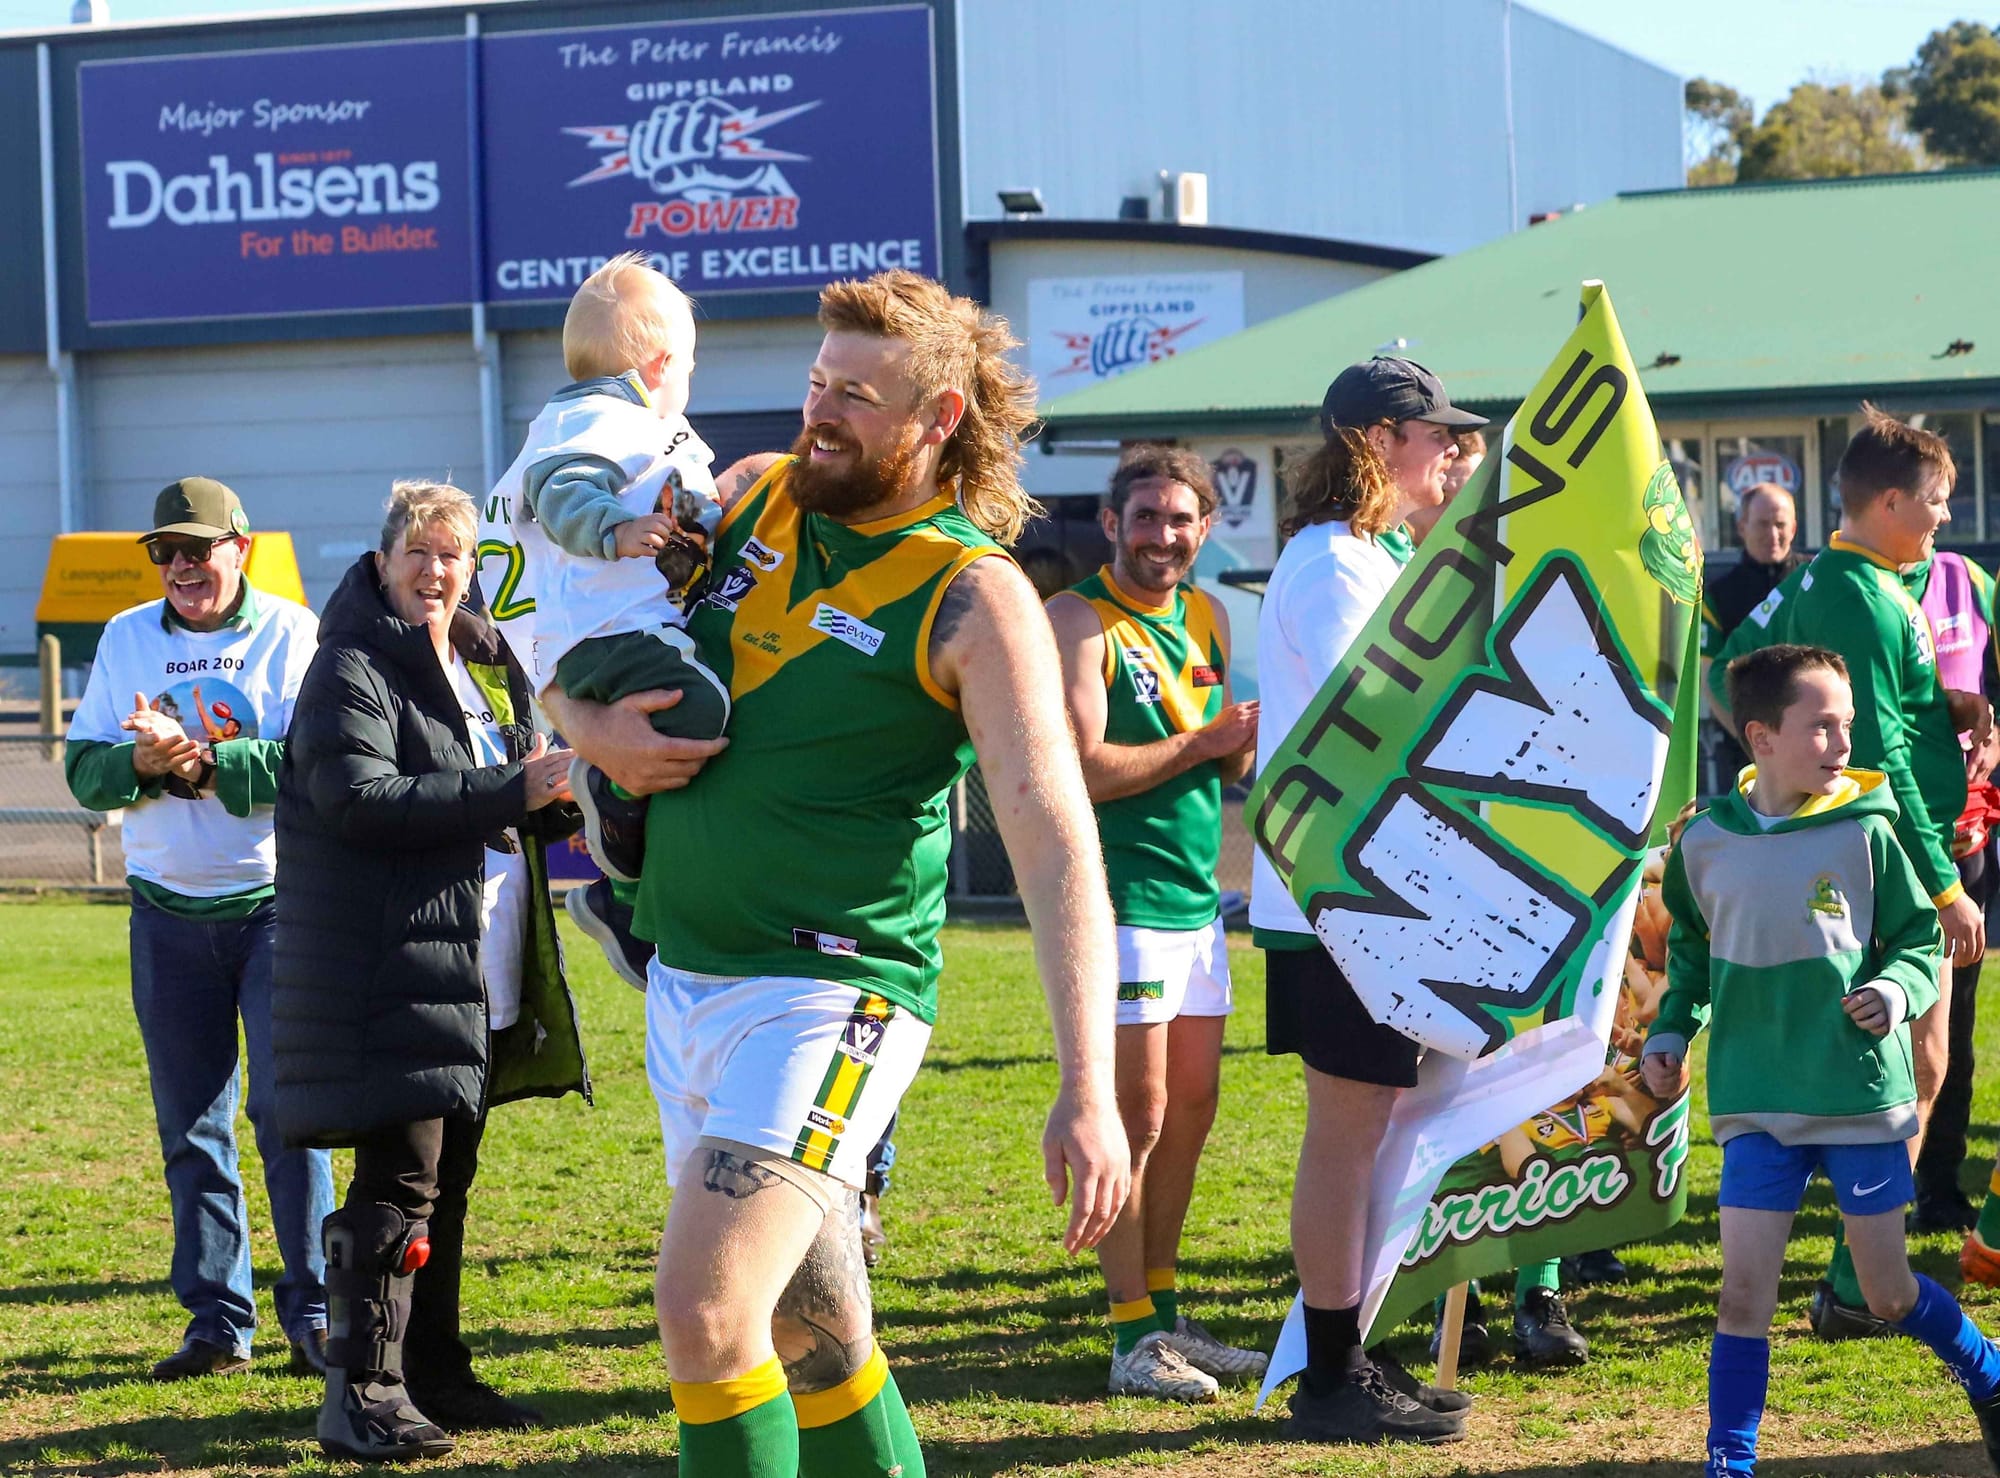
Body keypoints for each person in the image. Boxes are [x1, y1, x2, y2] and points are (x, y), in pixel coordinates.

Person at [544, 268, 1129, 1478]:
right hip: (686, 978)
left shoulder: (975, 594)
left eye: (856, 396)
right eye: (817, 382)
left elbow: (1053, 836)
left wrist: (1088, 1085)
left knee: (707, 1309)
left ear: (939, 419)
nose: (819, 412)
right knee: (810, 1329)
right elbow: (569, 612)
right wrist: (584, 726)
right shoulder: (751, 495)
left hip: (827, 996)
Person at [272, 481, 588, 1461]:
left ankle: (433, 1372)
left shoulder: (482, 667)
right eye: (418, 551)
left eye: (453, 555)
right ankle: (360, 1395)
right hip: (389, 966)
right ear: (382, 563)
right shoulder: (350, 666)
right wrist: (509, 786)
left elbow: (495, 797)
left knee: (445, 1185)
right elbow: (359, 799)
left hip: (474, 969)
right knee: (396, 1187)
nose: (436, 571)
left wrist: (554, 797)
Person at [1641, 643, 2000, 1475]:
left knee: (1887, 1294)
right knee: (1742, 1295)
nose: (1844, 743)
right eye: (1822, 727)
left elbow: (1919, 939)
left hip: (1857, 1098)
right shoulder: (1703, 842)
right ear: (1761, 737)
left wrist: (1897, 992)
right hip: (1755, 1102)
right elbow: (1690, 959)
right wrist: (1670, 1033)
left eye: (1848, 724)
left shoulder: (1866, 829)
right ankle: (1729, 1463)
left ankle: (1989, 1377)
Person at [1707, 407, 1987, 1338]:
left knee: (1913, 1057)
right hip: (1890, 858)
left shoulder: (1847, 579)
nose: (1945, 518)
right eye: (1937, 501)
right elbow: (1880, 756)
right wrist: (1941, 886)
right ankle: (1858, 1285)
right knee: (1919, 1061)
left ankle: (1856, 1280)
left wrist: (1946, 704)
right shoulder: (1860, 595)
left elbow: (1733, 671)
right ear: (1892, 501)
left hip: (1864, 850)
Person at [1251, 355, 1485, 1444]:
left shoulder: (1367, 553)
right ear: (1381, 441)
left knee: (1376, 1125)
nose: (1453, 450)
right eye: (1436, 433)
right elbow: (1388, 717)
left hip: (1364, 893)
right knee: (1347, 1133)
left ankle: (1345, 1349)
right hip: (1336, 898)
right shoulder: (1333, 563)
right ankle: (1330, 1373)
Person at [63, 477, 334, 1381]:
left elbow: (317, 763)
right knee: (192, 1126)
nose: (180, 566)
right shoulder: (126, 636)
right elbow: (85, 770)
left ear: (239, 548)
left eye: (197, 548)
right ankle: (217, 1322)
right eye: (165, 552)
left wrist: (208, 764)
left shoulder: (292, 632)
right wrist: (140, 762)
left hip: (277, 908)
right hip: (165, 913)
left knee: (290, 1116)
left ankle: (316, 1313)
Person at [1046, 444, 1262, 1403]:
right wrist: (1204, 742)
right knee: (1134, 1117)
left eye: (1181, 520)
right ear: (1111, 523)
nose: (1162, 536)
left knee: (1191, 1111)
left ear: (1205, 529)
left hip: (1196, 900)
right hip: (1118, 903)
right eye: (1146, 517)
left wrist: (1242, 748)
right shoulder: (1077, 618)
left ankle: (1166, 1311)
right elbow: (1083, 767)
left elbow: (1221, 762)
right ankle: (1130, 1331)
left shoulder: (1210, 614)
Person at [475, 251, 732, 990]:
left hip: (588, 632)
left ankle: (622, 896)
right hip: (606, 633)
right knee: (703, 710)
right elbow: (564, 487)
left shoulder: (592, 421)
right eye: (689, 365)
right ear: (660, 363)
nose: (689, 381)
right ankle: (612, 826)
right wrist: (614, 529)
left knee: (685, 737)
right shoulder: (601, 418)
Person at [1700, 483, 1808, 781]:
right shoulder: (1718, 595)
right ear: (1741, 527)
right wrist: (1755, 743)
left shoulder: (1815, 579)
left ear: (1794, 527)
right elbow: (1710, 679)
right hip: (1747, 753)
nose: (1772, 533)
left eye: (1780, 524)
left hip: (1815, 745)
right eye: (1762, 524)